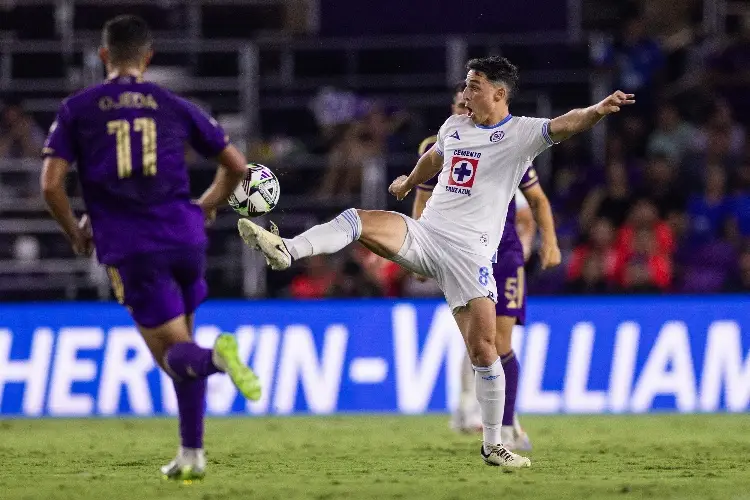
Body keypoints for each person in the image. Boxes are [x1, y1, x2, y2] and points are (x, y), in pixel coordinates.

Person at [238, 55, 634, 468]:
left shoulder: (521, 134)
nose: (465, 93)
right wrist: (409, 181)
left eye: (474, 86)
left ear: (499, 94)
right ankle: (288, 249)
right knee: (358, 219)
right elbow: (435, 158)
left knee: (485, 352)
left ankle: (494, 442)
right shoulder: (453, 127)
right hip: (427, 236)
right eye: (466, 85)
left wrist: (596, 111)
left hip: (470, 257)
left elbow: (566, 123)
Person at [40, 15, 261, 480]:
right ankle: (192, 453)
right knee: (182, 342)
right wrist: (205, 205)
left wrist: (75, 232)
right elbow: (238, 166)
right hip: (184, 237)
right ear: (148, 57)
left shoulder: (78, 108)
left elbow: (51, 186)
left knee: (173, 356)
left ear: (103, 55)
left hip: (132, 246)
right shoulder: (173, 103)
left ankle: (219, 359)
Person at [411, 83, 561, 449]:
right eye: (460, 102)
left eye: (470, 99)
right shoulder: (443, 142)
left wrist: (545, 243)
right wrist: (417, 247)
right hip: (461, 250)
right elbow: (423, 195)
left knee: (499, 340)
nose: (466, 107)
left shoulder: (508, 140)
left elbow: (533, 203)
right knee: (479, 337)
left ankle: (506, 423)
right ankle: (473, 412)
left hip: (503, 251)